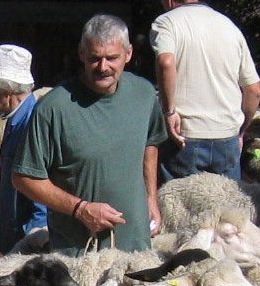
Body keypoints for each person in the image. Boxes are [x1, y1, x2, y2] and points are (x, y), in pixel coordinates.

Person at [12, 14, 165, 251]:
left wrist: (151, 198)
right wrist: (80, 209)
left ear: (129, 53)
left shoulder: (144, 95)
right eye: (95, 58)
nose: (103, 67)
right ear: (81, 54)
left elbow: (150, 142)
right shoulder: (53, 109)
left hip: (135, 247)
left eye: (112, 58)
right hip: (78, 254)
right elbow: (24, 178)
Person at [150, 0, 260, 180]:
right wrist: (241, 129)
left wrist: (169, 111)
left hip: (185, 137)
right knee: (228, 211)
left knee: (181, 211)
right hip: (226, 136)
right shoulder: (229, 26)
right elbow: (254, 90)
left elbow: (165, 61)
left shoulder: (166, 23)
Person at [0, 44, 48, 250]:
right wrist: (2, 231)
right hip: (12, 239)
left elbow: (39, 192)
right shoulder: (14, 120)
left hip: (25, 245)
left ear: (7, 92)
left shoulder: (31, 126)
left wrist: (30, 242)